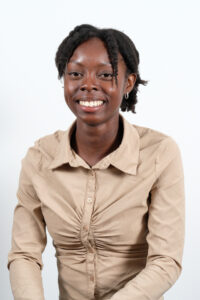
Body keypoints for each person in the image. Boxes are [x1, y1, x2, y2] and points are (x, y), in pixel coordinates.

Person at [7, 24, 185, 300]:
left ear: (128, 82)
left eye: (105, 74)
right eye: (75, 74)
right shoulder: (39, 158)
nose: (88, 84)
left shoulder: (160, 153)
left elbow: (166, 262)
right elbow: (24, 254)